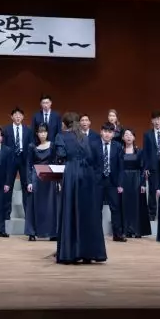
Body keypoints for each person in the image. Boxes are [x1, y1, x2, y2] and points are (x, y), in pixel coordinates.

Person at [55, 112, 106, 264]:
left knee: (70, 210)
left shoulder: (61, 136)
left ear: (65, 124)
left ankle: (70, 252)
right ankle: (88, 252)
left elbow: (61, 155)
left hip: (72, 173)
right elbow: (90, 156)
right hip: (87, 175)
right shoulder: (84, 137)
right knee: (86, 212)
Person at [24, 123, 58, 241]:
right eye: (40, 132)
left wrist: (58, 180)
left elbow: (56, 162)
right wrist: (29, 182)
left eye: (44, 132)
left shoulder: (53, 146)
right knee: (34, 205)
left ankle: (52, 233)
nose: (42, 134)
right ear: (37, 133)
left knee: (50, 205)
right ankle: (32, 232)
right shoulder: (32, 146)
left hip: (50, 177)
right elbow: (28, 164)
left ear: (47, 133)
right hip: (36, 177)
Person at [118, 128, 151, 239]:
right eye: (126, 135)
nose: (128, 137)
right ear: (123, 138)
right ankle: (126, 230)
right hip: (124, 180)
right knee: (125, 205)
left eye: (130, 135)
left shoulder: (139, 151)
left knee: (137, 205)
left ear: (134, 137)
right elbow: (118, 169)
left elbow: (143, 168)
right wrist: (119, 184)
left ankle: (137, 230)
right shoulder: (120, 152)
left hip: (136, 179)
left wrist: (143, 184)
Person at [97, 123, 126, 241]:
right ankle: (96, 235)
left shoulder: (118, 146)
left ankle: (117, 234)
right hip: (98, 182)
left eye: (110, 132)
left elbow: (121, 167)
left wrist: (120, 183)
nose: (107, 134)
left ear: (113, 134)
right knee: (96, 209)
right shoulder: (94, 145)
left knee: (115, 208)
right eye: (105, 131)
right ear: (101, 132)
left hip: (112, 181)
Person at [2, 107, 32, 222]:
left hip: (24, 160)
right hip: (11, 160)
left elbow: (30, 146)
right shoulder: (6, 130)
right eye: (15, 114)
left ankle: (28, 213)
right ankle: (6, 214)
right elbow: (4, 146)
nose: (18, 116)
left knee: (26, 186)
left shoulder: (28, 130)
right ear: (11, 117)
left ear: (23, 117)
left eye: (20, 115)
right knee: (8, 186)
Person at [143, 110, 160, 221]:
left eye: (159, 119)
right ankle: (151, 214)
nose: (157, 122)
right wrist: (146, 167)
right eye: (155, 119)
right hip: (152, 166)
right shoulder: (147, 134)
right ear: (152, 121)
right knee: (152, 190)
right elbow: (146, 152)